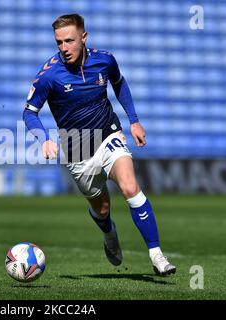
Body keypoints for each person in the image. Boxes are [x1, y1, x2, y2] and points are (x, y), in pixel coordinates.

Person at [22, 13, 176, 276]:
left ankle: (157, 255)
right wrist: (45, 139)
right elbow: (29, 113)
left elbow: (119, 83)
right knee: (102, 208)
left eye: (69, 41)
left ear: (84, 37)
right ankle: (109, 233)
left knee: (130, 186)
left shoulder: (104, 60)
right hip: (77, 148)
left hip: (108, 134)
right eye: (58, 42)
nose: (64, 48)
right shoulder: (49, 75)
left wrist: (134, 121)